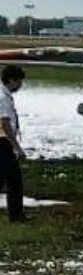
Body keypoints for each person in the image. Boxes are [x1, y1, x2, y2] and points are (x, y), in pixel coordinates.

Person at [0, 65, 27, 222]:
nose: (20, 86)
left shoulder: (4, 94)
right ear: (12, 80)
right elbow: (4, 123)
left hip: (3, 141)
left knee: (5, 179)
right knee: (14, 181)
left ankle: (16, 215)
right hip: (3, 142)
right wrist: (17, 147)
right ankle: (16, 216)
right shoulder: (3, 98)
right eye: (19, 82)